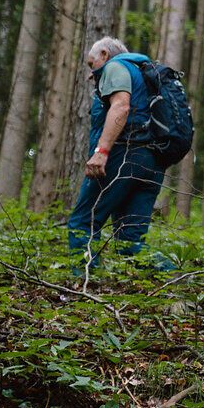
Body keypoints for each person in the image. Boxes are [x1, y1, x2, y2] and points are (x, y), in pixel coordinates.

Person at [66, 37, 166, 264]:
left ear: (103, 54)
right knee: (130, 241)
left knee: (84, 222)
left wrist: (101, 151)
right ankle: (176, 279)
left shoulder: (115, 66)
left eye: (92, 65)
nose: (91, 74)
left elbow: (121, 106)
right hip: (152, 161)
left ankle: (82, 285)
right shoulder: (141, 73)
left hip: (124, 156)